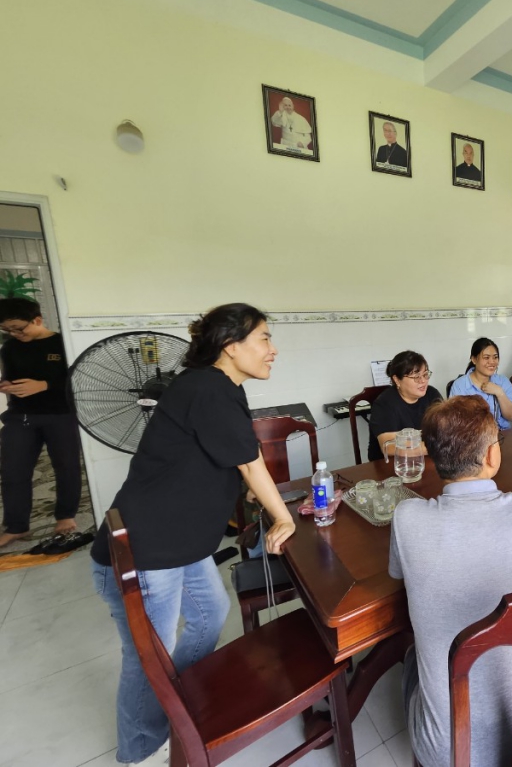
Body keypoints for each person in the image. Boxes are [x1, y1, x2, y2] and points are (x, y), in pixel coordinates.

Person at [90, 303, 297, 765]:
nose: (273, 349)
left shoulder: (220, 387)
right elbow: (249, 462)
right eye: (264, 338)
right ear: (231, 346)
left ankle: (177, 704)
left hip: (179, 544)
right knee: (150, 657)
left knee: (210, 614)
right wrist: (282, 517)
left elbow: (230, 456)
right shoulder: (206, 388)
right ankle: (141, 750)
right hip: (146, 551)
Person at [390, 395, 512, 767]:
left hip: (446, 753)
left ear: (433, 458)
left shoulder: (407, 517)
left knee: (410, 655)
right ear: (492, 455)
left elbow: (396, 574)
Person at [0, 298, 81, 548]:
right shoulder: (9, 348)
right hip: (20, 415)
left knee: (66, 466)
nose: (14, 334)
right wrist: (6, 385)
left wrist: (44, 385)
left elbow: (78, 379)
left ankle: (65, 516)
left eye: (18, 328)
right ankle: (16, 526)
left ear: (37, 320)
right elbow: (9, 377)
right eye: (7, 330)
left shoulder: (63, 343)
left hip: (60, 414)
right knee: (13, 470)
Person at [367, 350, 442, 461]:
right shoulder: (384, 404)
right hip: (390, 464)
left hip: (425, 459)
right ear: (397, 380)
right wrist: (436, 448)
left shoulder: (432, 394)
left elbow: (445, 430)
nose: (423, 381)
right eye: (416, 377)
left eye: (425, 374)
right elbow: (389, 448)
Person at [449, 337, 512, 430]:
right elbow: (455, 421)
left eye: (495, 357)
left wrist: (500, 393)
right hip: (473, 436)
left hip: (503, 434)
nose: (492, 362)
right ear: (474, 359)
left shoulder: (503, 382)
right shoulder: (460, 386)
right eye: (486, 357)